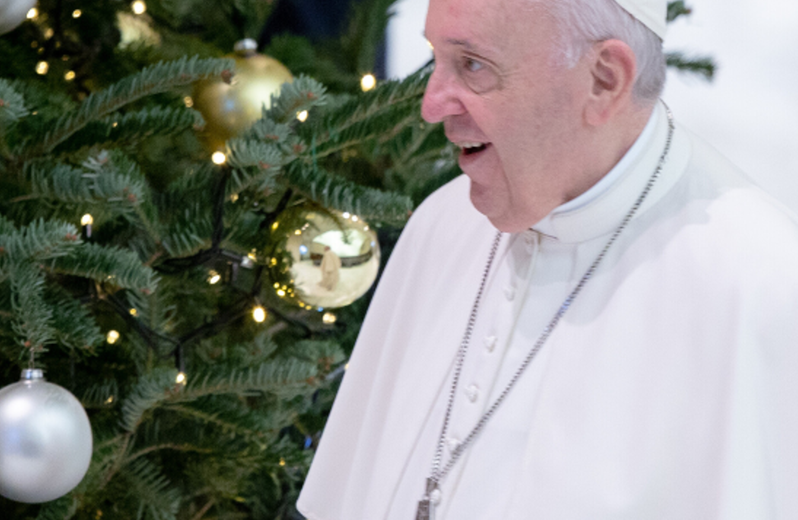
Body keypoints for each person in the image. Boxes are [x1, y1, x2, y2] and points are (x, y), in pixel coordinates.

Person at [297, 0, 798, 518]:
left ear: (604, 79)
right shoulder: (439, 226)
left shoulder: (764, 287)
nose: (431, 104)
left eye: (472, 65)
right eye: (435, 58)